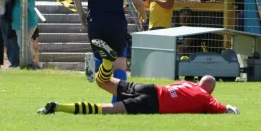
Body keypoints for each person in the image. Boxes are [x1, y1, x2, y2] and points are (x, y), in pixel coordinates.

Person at [38, 39, 240, 115]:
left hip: (149, 88)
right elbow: (224, 109)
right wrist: (231, 108)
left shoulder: (187, 83)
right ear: (210, 90)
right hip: (152, 104)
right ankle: (58, 107)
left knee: (102, 81)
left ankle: (108, 62)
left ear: (197, 82)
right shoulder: (206, 98)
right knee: (106, 109)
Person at [71, 0, 148, 102]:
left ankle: (94, 64)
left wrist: (81, 13)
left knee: (105, 57)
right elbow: (136, 0)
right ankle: (119, 102)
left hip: (95, 23)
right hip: (115, 23)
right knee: (119, 63)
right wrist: (144, 15)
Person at [10, 0, 38, 67]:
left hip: (29, 21)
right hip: (18, 22)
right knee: (21, 42)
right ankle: (26, 62)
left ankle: (29, 63)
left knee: (24, 42)